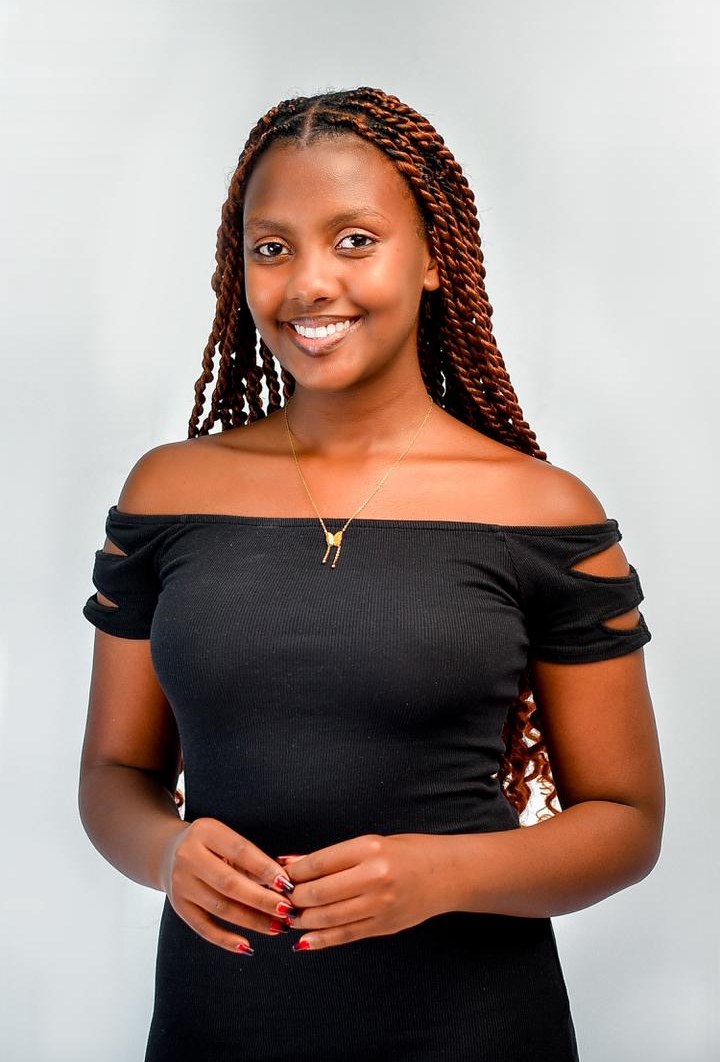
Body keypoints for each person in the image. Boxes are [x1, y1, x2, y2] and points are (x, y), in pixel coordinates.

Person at [78, 86, 665, 1061]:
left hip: (473, 1031)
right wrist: (165, 849)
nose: (311, 282)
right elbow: (113, 775)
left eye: (354, 240)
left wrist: (441, 876)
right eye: (273, 247)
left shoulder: (542, 511)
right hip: (217, 1029)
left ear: (433, 258)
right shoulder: (167, 494)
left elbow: (627, 821)